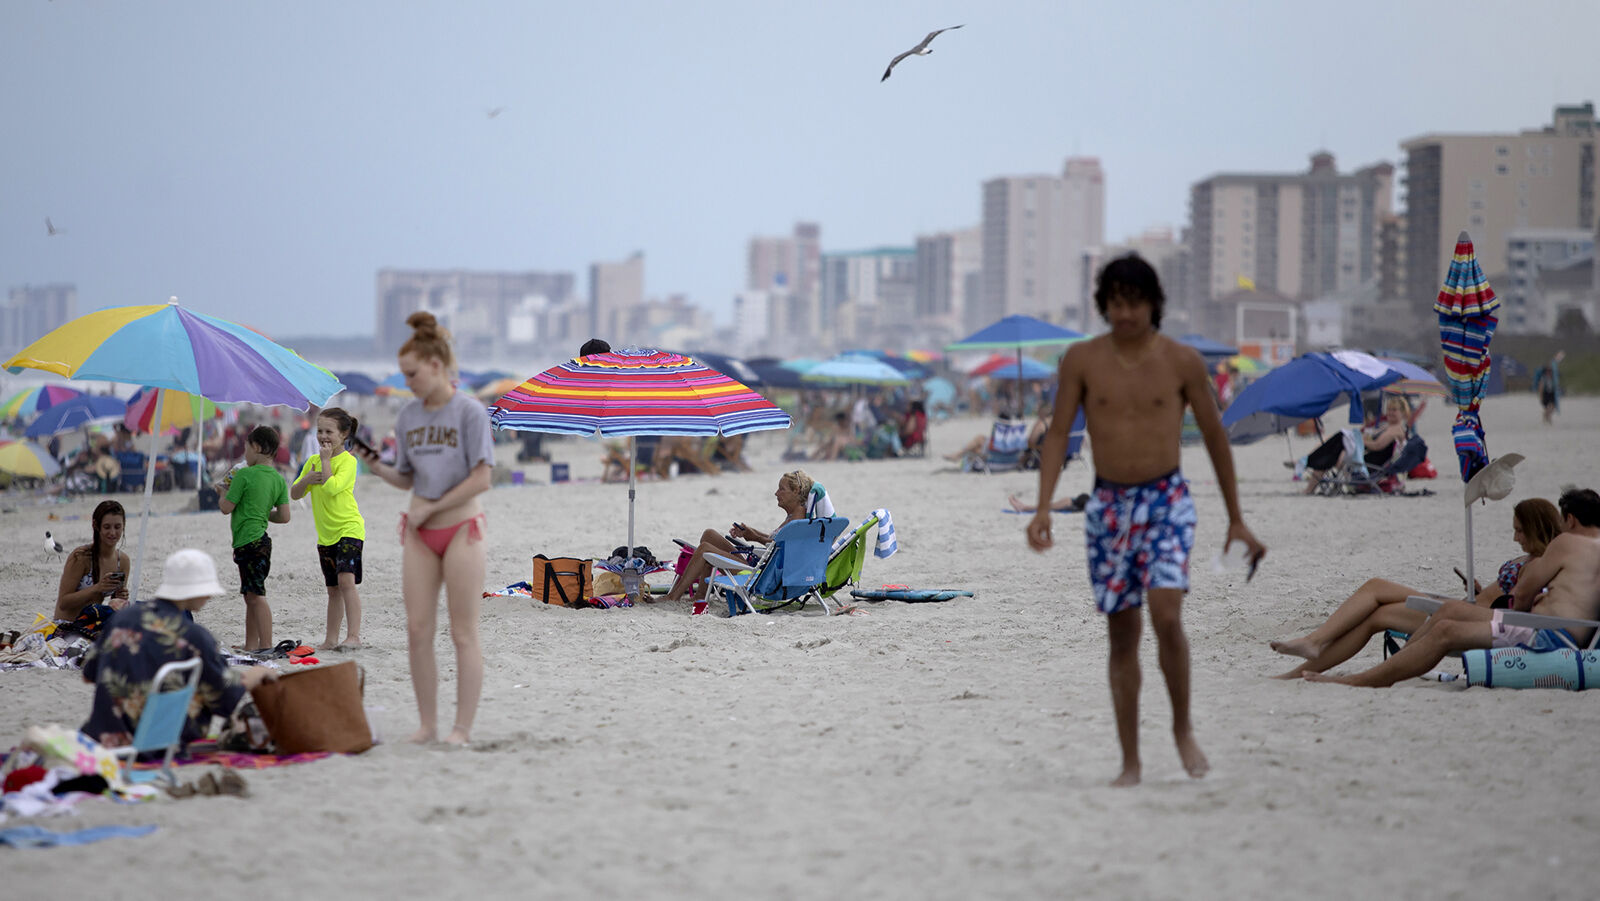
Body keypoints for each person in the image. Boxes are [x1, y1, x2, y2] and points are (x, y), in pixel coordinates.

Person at [1025, 254, 1266, 787]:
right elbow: (1060, 433)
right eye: (1114, 302)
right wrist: (1044, 506)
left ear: (1153, 303)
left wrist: (1236, 519)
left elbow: (1216, 438)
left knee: (1166, 614)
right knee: (1122, 634)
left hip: (1166, 500)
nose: (1124, 312)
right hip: (1108, 506)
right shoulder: (1082, 361)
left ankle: (1182, 728)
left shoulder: (1181, 361)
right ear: (1103, 305)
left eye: (1133, 301)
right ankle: (1131, 761)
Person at [352, 312, 494, 745]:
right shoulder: (410, 416)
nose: (407, 381)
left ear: (436, 365)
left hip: (461, 529)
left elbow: (482, 478)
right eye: (403, 373)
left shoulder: (469, 412)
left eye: (412, 373)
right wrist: (376, 465)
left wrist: (430, 509)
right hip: (417, 533)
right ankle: (428, 724)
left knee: (462, 631)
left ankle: (461, 729)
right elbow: (407, 477)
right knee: (417, 631)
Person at [1305, 488, 1600, 687]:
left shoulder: (1567, 543)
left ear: (1571, 520)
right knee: (1445, 614)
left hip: (1547, 633)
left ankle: (1361, 680)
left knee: (1445, 626)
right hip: (1569, 633)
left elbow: (1521, 597)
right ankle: (1386, 670)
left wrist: (1527, 606)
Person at [81, 548, 277, 749]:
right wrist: (253, 677)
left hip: (100, 735)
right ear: (193, 590)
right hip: (153, 743)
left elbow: (89, 673)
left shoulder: (123, 617)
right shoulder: (193, 636)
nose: (209, 596)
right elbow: (224, 701)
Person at [663, 470, 817, 602]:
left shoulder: (798, 520)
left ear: (796, 491)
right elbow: (775, 541)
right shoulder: (793, 516)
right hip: (761, 567)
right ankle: (701, 594)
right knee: (709, 534)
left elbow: (779, 548)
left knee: (705, 549)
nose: (776, 493)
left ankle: (674, 596)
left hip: (764, 576)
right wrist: (750, 532)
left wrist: (755, 537)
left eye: (781, 489)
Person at [291, 407, 366, 651]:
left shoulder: (348, 462)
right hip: (326, 536)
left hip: (349, 529)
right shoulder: (312, 462)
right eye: (319, 430)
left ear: (343, 435)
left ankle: (353, 636)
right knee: (333, 589)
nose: (323, 436)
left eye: (329, 432)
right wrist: (305, 480)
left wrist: (325, 462)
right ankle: (331, 639)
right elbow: (295, 493)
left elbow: (333, 487)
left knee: (346, 583)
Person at [218, 425, 291, 652]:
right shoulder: (278, 480)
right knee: (250, 595)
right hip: (262, 541)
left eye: (246, 449)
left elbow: (226, 507)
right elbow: (284, 516)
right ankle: (251, 644)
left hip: (248, 542)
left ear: (257, 447)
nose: (244, 454)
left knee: (256, 596)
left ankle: (266, 645)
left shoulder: (244, 475)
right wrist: (259, 511)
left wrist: (221, 490)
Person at [1298, 394, 1412, 493]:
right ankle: (1309, 466)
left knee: (1340, 439)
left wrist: (1361, 440)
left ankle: (1307, 462)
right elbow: (1371, 439)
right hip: (1368, 458)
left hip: (1372, 463)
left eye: (1394, 410)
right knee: (1333, 450)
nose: (1390, 412)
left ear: (1403, 413)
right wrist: (1363, 437)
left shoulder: (1396, 430)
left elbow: (1377, 446)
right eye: (1389, 409)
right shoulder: (1386, 426)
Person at [54, 500, 132, 636]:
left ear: (124, 526)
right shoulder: (81, 557)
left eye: (117, 527)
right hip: (66, 626)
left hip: (93, 625)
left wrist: (120, 597)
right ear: (96, 525)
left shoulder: (123, 561)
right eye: (107, 527)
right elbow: (63, 603)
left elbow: (113, 604)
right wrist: (98, 588)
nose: (113, 532)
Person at [1534, 350, 1564, 425]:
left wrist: (1559, 356)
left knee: (1552, 407)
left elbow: (1554, 363)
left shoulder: (1554, 378)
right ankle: (1546, 418)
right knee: (1547, 407)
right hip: (1545, 393)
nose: (1549, 372)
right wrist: (1540, 396)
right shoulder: (1543, 378)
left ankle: (1547, 417)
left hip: (1552, 393)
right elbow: (1541, 388)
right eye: (1548, 371)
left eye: (1550, 371)